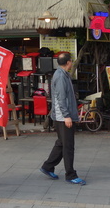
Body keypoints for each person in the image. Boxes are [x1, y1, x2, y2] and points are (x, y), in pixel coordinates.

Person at [39, 52, 86, 186]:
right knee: (68, 146)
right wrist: (67, 116)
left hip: (62, 116)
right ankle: (70, 174)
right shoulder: (60, 76)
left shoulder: (63, 74)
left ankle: (48, 166)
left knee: (61, 143)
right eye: (71, 60)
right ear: (68, 62)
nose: (72, 62)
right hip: (62, 117)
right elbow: (60, 98)